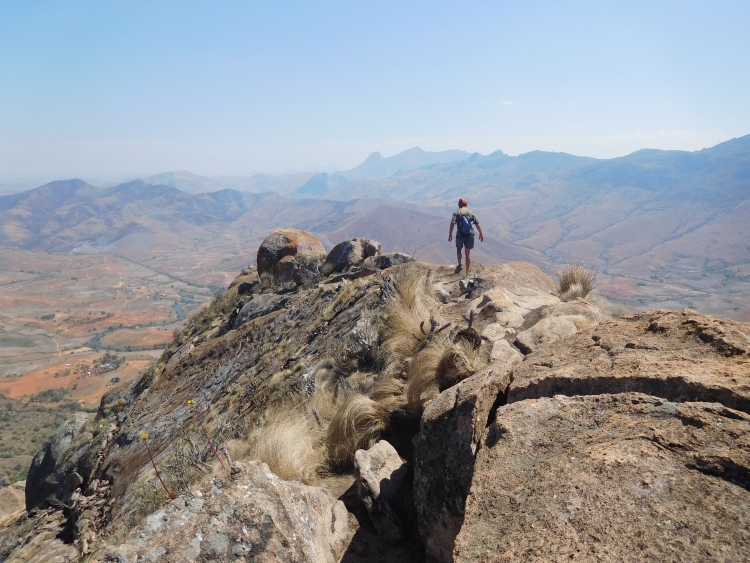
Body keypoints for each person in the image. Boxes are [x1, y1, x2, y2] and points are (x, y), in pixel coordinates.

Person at [448, 198, 484, 273]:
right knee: (467, 253)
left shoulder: (457, 212)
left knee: (459, 249)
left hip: (460, 235)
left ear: (459, 204)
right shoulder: (471, 212)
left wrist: (450, 234)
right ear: (466, 204)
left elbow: (452, 224)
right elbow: (477, 224)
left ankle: (460, 265)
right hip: (470, 234)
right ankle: (467, 271)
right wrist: (481, 233)